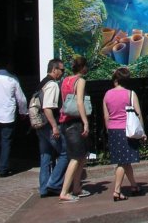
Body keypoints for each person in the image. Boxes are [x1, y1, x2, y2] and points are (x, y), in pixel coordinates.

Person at [103, 67, 145, 201]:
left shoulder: (107, 94)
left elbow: (106, 116)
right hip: (126, 130)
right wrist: (142, 132)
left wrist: (109, 129)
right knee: (122, 162)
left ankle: (134, 185)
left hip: (113, 130)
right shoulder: (130, 94)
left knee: (125, 161)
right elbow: (138, 114)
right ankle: (117, 190)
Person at [58, 55, 90, 203]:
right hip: (75, 122)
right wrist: (85, 121)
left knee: (82, 156)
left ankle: (77, 187)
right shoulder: (80, 81)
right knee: (76, 158)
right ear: (82, 67)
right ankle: (65, 191)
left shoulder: (65, 80)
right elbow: (79, 102)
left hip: (65, 121)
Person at [37, 58, 68, 197]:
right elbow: (47, 108)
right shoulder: (52, 85)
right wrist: (55, 126)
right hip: (49, 125)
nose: (63, 72)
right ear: (54, 70)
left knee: (46, 156)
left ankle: (44, 188)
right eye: (62, 70)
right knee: (65, 153)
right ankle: (54, 183)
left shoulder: (42, 83)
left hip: (40, 125)